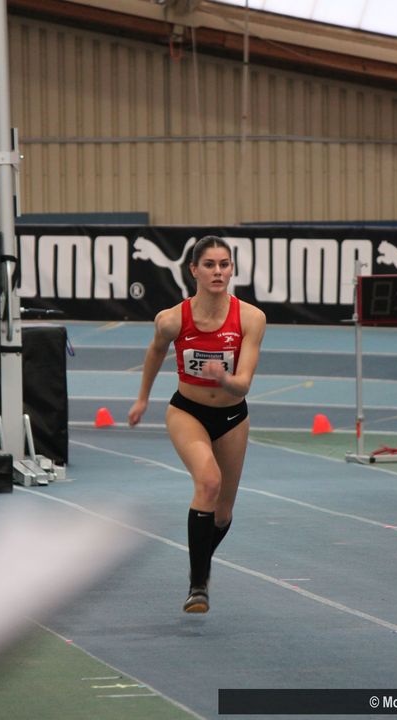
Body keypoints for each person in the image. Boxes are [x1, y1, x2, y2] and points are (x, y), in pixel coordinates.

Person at [128, 235, 266, 613]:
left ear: (232, 270)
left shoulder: (251, 318)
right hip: (187, 412)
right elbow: (155, 351)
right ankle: (198, 584)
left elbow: (244, 383)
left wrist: (224, 378)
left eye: (224, 264)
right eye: (209, 265)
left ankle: (200, 563)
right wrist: (142, 398)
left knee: (222, 513)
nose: (218, 271)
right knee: (208, 481)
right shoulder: (172, 319)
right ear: (194, 270)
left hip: (233, 416)